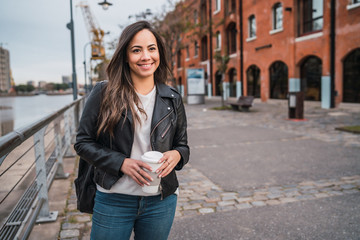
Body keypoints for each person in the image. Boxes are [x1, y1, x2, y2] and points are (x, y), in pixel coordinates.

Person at [74, 21, 189, 240]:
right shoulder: (103, 92)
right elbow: (82, 142)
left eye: (151, 48)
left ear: (159, 53)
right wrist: (121, 163)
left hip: (161, 200)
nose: (146, 56)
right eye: (136, 50)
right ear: (125, 56)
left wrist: (177, 155)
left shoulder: (172, 97)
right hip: (114, 199)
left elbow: (182, 146)